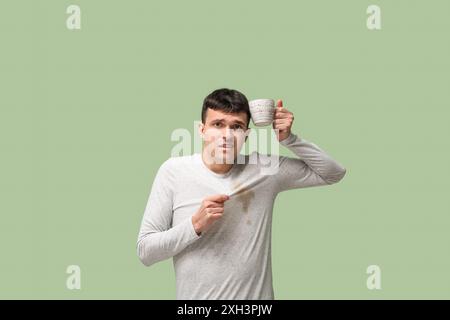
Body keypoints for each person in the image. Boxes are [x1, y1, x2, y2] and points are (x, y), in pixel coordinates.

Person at [136, 88, 346, 299]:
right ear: (202, 130)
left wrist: (289, 139)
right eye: (218, 124)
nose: (227, 135)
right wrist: (194, 225)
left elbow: (333, 173)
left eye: (236, 127)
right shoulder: (174, 171)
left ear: (246, 135)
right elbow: (146, 252)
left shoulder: (265, 168)